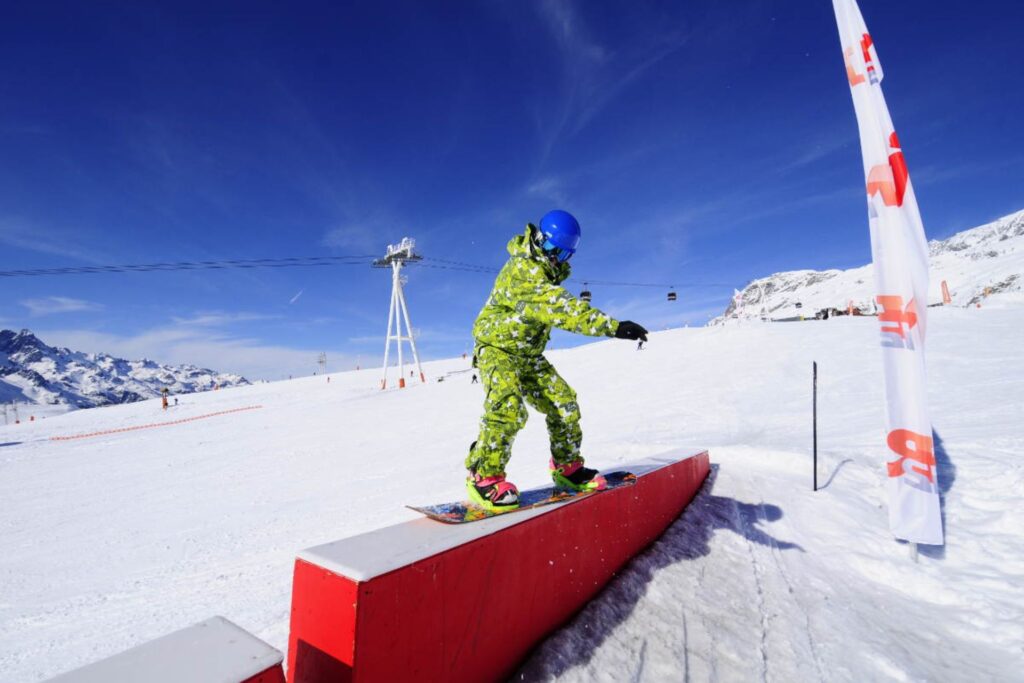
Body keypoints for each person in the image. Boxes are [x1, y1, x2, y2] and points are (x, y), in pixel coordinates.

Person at [465, 209, 648, 511]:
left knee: (564, 405)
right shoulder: (522, 270)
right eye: (550, 249)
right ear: (538, 240)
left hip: (528, 354)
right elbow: (560, 308)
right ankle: (483, 475)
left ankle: (567, 468)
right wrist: (612, 327)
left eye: (562, 254)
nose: (553, 258)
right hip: (497, 348)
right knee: (508, 408)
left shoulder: (547, 275)